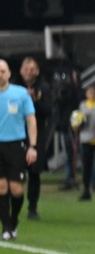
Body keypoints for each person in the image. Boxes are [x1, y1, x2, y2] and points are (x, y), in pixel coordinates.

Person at [0, 59, 36, 241]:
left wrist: (32, 147)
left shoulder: (21, 94)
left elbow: (31, 120)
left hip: (16, 145)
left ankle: (13, 220)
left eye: (2, 71)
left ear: (9, 74)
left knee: (16, 189)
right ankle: (6, 227)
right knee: (1, 187)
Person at [17, 57, 51, 221]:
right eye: (26, 69)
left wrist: (33, 101)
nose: (28, 72)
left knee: (34, 172)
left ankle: (32, 207)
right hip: (16, 134)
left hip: (36, 135)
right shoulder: (14, 88)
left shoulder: (43, 88)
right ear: (21, 71)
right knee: (13, 172)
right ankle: (12, 205)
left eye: (32, 69)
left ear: (37, 71)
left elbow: (48, 110)